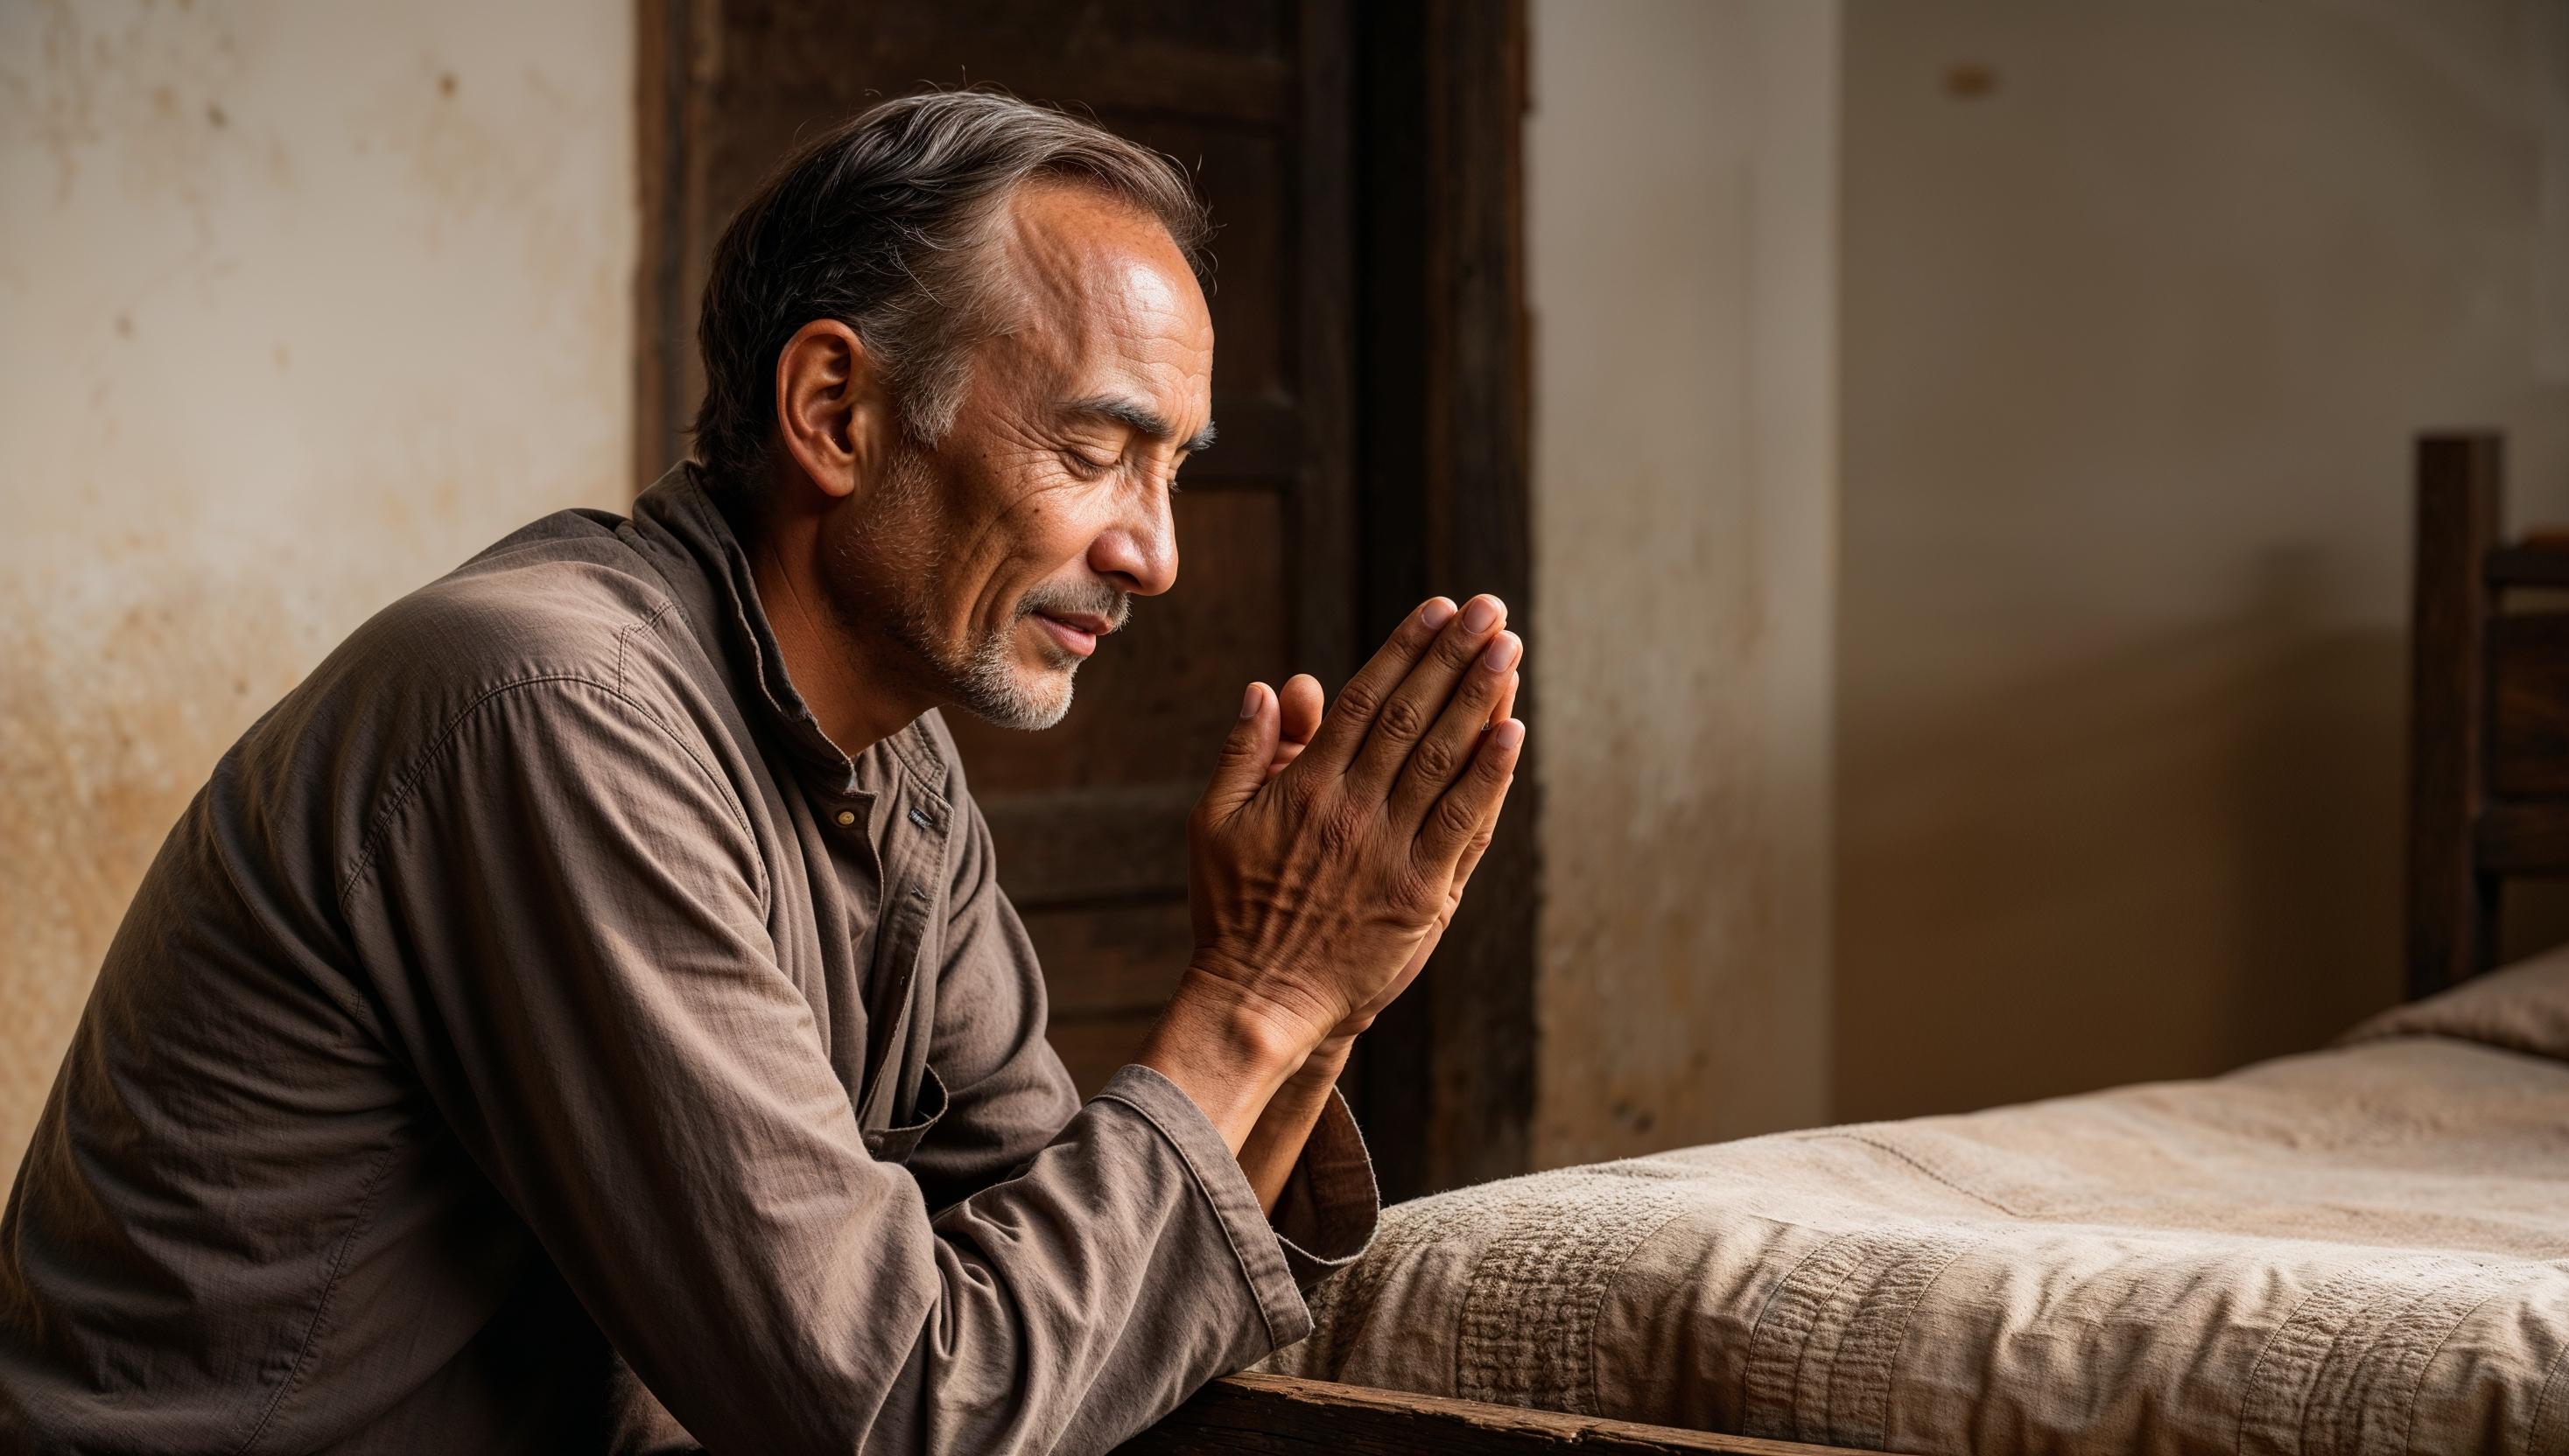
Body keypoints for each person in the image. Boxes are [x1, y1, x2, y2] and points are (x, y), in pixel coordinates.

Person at [0, 89, 1525, 1453]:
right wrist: (1254, 997)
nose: (1157, 552)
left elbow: (1062, 1326)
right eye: (1095, 452)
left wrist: (1322, 1000)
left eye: (1174, 468)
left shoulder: (899, 768)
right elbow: (904, 1416)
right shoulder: (557, 707)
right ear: (833, 412)